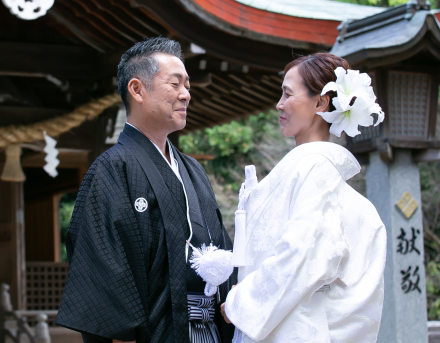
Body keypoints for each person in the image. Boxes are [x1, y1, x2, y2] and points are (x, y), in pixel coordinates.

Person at [56, 38, 236, 343]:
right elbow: (106, 271)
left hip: (211, 332)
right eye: (175, 84)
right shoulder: (113, 169)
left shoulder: (193, 170)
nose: (186, 94)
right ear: (137, 90)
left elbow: (221, 250)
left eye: (187, 85)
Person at [221, 53, 387, 342]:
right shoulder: (324, 178)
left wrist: (242, 302)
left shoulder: (314, 167)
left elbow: (300, 252)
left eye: (287, 94)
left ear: (321, 102)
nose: (279, 104)